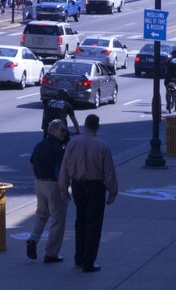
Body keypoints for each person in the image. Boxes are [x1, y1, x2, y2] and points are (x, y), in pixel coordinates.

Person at [59, 114, 118, 273]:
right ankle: (88, 262)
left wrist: (63, 188)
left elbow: (64, 167)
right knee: (94, 224)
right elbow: (109, 172)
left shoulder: (72, 143)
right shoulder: (102, 145)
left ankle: (79, 258)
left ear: (85, 125)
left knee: (81, 221)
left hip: (77, 185)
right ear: (97, 127)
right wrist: (112, 191)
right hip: (95, 186)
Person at [26, 119, 70, 264]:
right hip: (53, 185)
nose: (65, 133)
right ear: (53, 130)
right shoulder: (59, 148)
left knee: (42, 214)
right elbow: (63, 170)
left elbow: (31, 163)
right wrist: (64, 189)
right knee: (58, 220)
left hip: (39, 183)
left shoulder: (40, 145)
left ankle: (33, 239)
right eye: (62, 130)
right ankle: (51, 254)